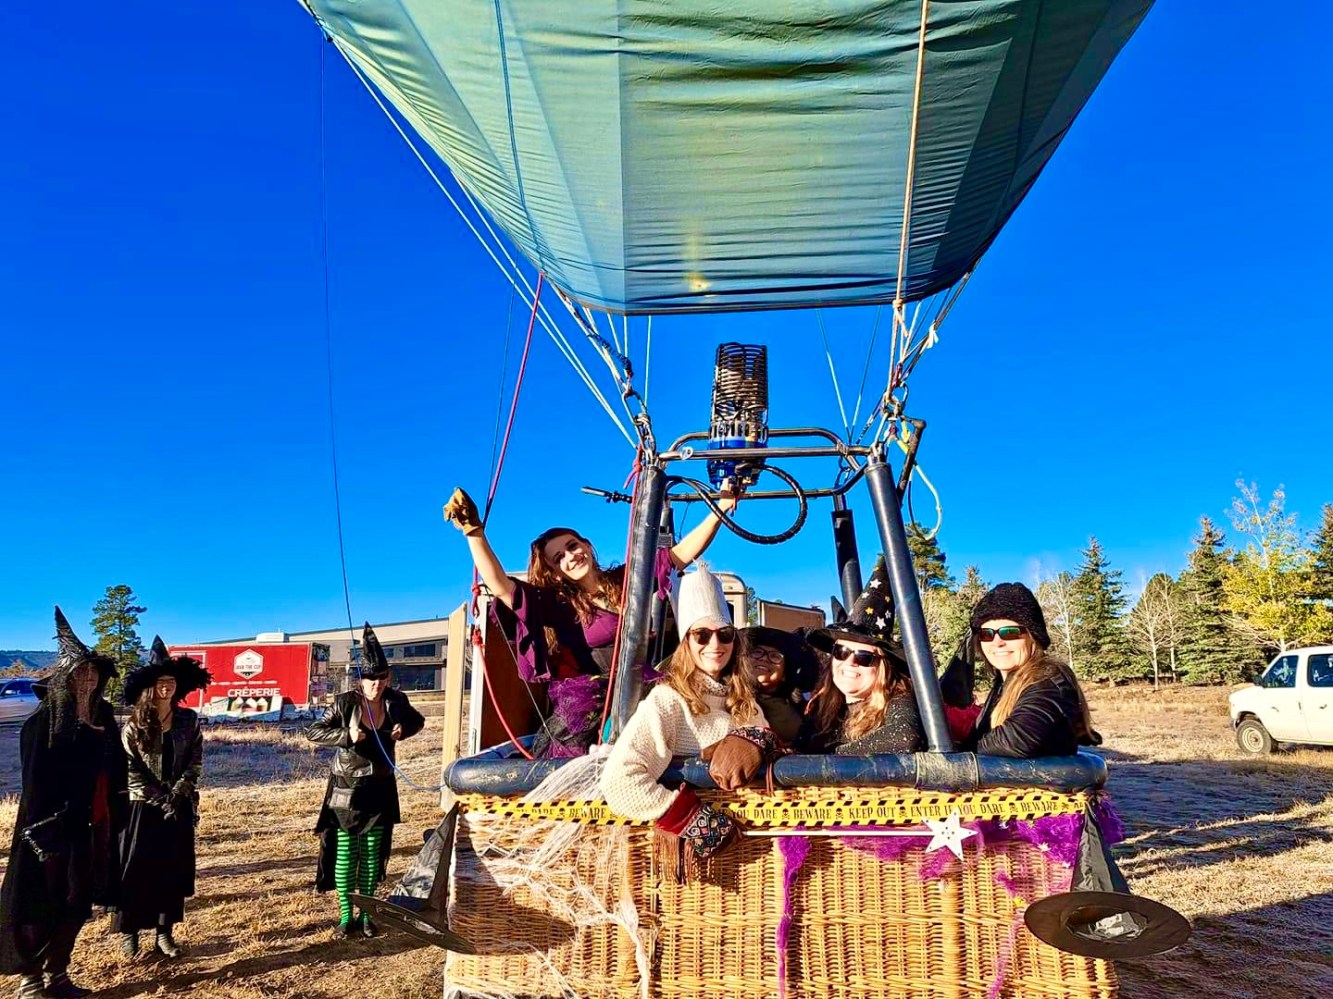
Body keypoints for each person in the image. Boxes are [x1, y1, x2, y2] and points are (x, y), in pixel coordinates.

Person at [443, 483, 738, 757]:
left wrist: (720, 509)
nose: (570, 556)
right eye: (558, 558)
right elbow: (501, 586)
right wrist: (474, 533)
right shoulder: (558, 604)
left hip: (641, 683)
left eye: (572, 546)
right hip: (591, 698)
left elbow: (681, 554)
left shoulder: (625, 579)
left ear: (586, 544)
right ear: (555, 572)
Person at [600, 565, 778, 875]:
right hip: (702, 867)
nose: (715, 645)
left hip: (755, 852)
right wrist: (695, 821)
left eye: (724, 634)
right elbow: (620, 781)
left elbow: (767, 742)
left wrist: (758, 743)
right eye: (702, 635)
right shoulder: (668, 700)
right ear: (686, 642)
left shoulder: (741, 700)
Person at [0, 608, 127, 999]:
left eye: (94, 672)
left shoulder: (105, 716)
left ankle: (58, 973)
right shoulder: (44, 722)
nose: (88, 678)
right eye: (81, 672)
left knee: (77, 903)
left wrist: (119, 810)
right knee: (38, 905)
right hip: (50, 832)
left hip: (94, 827)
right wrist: (45, 830)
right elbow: (36, 781)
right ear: (65, 678)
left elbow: (116, 770)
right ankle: (30, 980)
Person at [307, 623, 426, 939]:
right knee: (346, 855)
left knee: (373, 856)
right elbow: (314, 732)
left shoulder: (395, 700)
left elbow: (418, 721)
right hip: (348, 789)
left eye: (381, 678)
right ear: (360, 679)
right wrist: (346, 735)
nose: (376, 684)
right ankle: (346, 917)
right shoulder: (345, 702)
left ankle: (366, 916)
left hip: (382, 787)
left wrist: (404, 729)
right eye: (370, 678)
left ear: (388, 678)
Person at [113, 638, 210, 960]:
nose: (166, 687)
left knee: (172, 870)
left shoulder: (189, 720)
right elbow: (129, 767)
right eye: (159, 682)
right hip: (141, 807)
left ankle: (164, 933)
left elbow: (195, 759)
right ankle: (129, 934)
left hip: (178, 805)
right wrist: (158, 796)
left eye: (170, 682)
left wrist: (179, 792)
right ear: (148, 688)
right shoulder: (133, 725)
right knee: (135, 870)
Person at [799, 558, 925, 755]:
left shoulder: (899, 700)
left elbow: (904, 738)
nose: (849, 663)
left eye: (864, 657)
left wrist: (832, 758)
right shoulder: (821, 708)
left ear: (883, 666)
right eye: (841, 652)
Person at [961, 583, 1100, 757]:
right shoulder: (1004, 684)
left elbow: (1017, 740)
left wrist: (958, 753)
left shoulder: (1049, 679)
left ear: (1033, 637)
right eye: (986, 634)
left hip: (1048, 784)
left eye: (1009, 632)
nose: (997, 642)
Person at [740, 626, 819, 747]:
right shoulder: (726, 698)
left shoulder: (803, 710)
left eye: (775, 656)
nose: (765, 658)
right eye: (757, 652)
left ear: (784, 674)